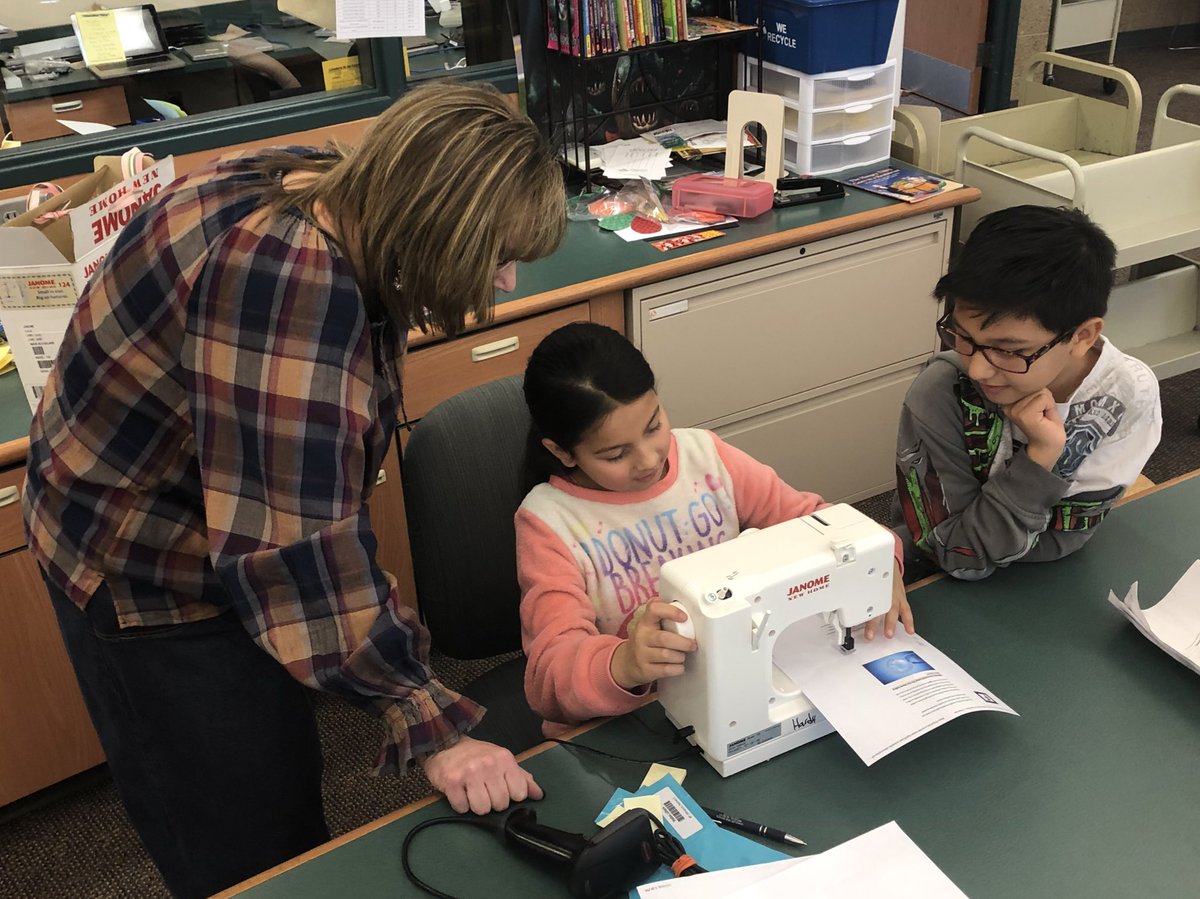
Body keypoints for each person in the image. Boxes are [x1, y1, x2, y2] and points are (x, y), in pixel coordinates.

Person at [22, 81, 566, 899]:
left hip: (167, 517)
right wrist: (429, 723)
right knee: (253, 849)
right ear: (438, 227)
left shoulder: (318, 179)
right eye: (496, 257)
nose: (510, 283)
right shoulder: (289, 285)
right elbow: (295, 553)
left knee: (277, 758)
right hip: (144, 580)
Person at [515, 322, 914, 733]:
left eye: (653, 426)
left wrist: (880, 560)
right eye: (616, 454)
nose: (650, 460)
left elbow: (816, 520)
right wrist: (624, 663)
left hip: (729, 692)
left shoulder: (705, 458)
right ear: (561, 452)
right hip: (629, 725)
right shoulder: (549, 524)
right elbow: (548, 679)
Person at [895, 205, 1162, 581]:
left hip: (1056, 578)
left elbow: (1066, 538)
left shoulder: (1128, 395)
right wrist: (1038, 462)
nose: (977, 369)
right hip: (927, 581)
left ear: (1082, 336)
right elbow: (952, 553)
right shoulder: (942, 391)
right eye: (965, 337)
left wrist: (1033, 467)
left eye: (1009, 350)